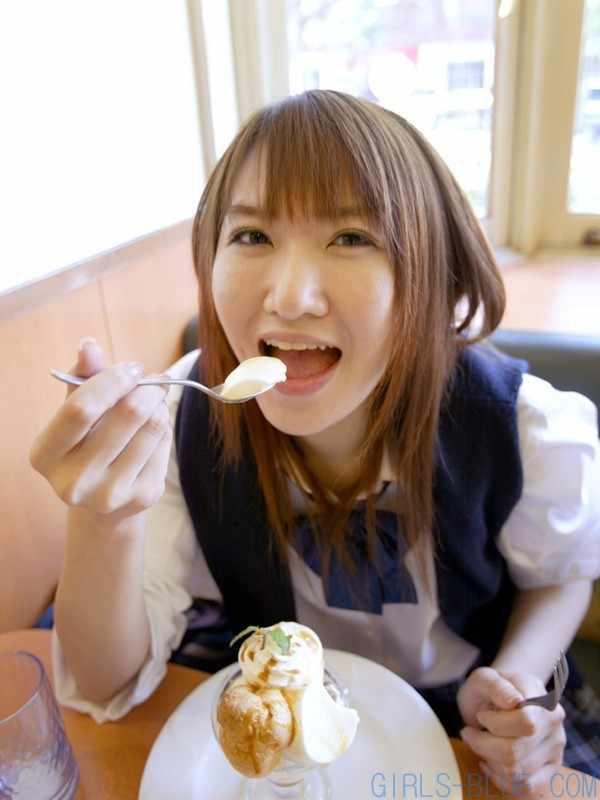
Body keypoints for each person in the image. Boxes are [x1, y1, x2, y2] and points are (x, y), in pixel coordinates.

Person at [30, 90, 600, 792]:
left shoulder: (518, 425)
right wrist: (104, 518)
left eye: (351, 237)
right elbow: (103, 686)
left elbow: (560, 574)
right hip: (273, 721)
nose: (290, 297)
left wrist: (518, 674)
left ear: (431, 273)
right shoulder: (182, 419)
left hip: (460, 720)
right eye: (252, 236)